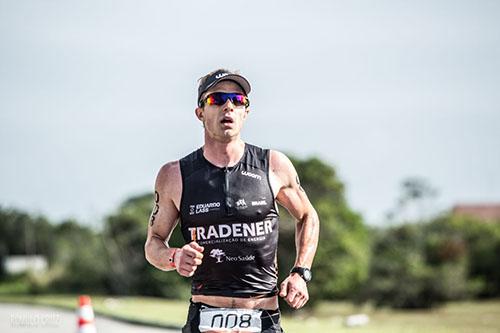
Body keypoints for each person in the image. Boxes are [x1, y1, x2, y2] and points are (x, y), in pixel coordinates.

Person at [144, 69, 320, 333]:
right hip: (205, 319)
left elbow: (308, 216)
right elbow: (153, 244)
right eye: (217, 99)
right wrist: (174, 256)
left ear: (246, 112)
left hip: (263, 317)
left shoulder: (272, 165)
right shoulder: (175, 175)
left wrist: (300, 272)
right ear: (200, 112)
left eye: (238, 100)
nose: (229, 106)